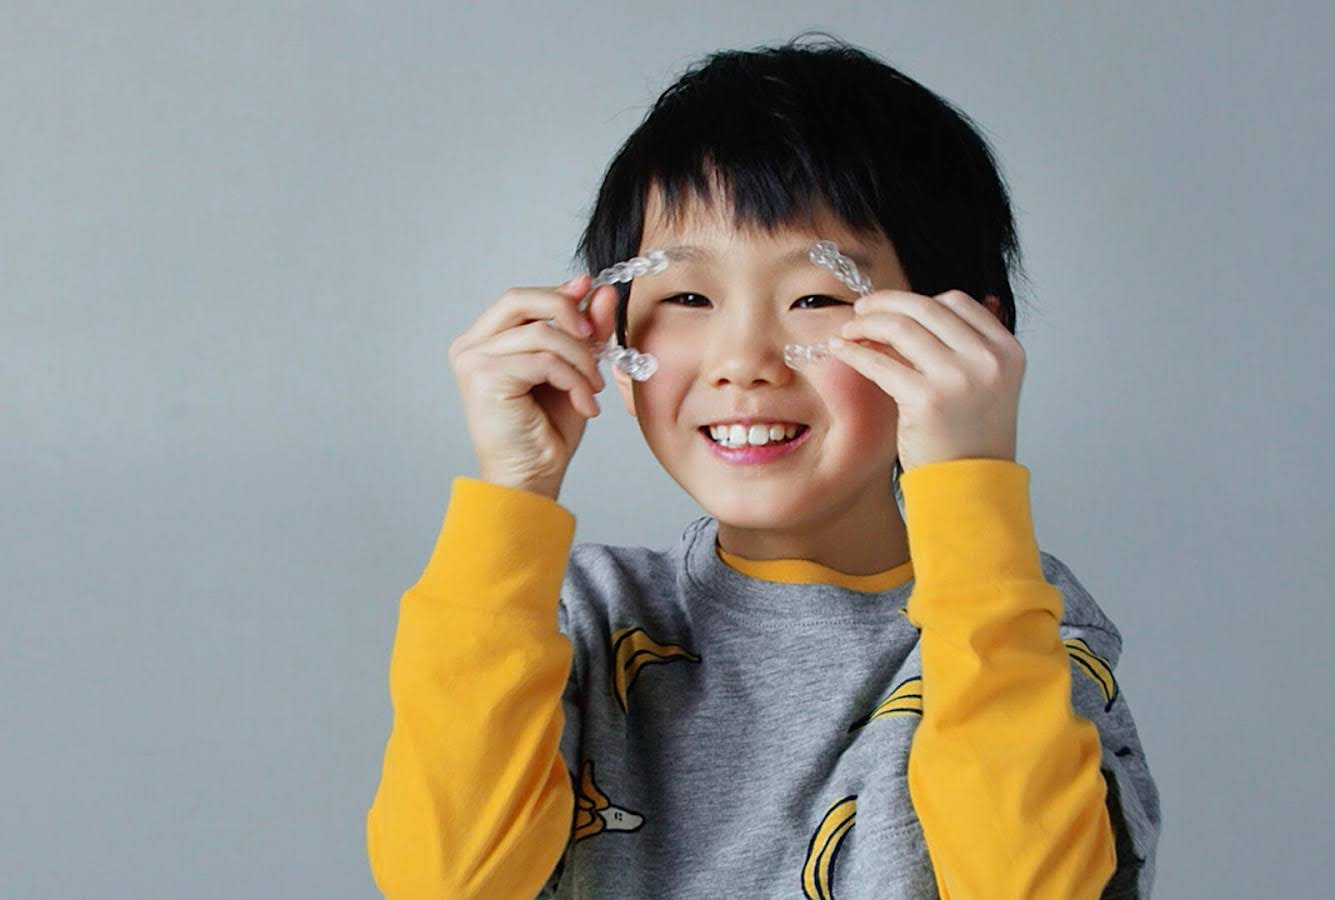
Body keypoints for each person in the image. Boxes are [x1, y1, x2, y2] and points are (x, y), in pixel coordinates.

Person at [367, 33, 1162, 899]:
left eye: (816, 297)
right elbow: (446, 882)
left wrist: (971, 487)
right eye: (687, 299)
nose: (742, 358)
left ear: (966, 335)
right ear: (608, 328)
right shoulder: (569, 618)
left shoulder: (1018, 625)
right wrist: (509, 497)